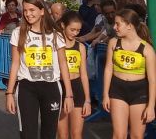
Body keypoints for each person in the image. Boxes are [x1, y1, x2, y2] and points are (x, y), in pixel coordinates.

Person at [5, 0, 74, 139]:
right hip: (26, 88)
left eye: (32, 10)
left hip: (51, 87)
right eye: (25, 10)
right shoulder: (18, 33)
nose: (28, 14)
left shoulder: (56, 35)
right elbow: (15, 63)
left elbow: (63, 65)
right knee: (27, 134)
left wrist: (69, 94)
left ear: (42, 11)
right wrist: (9, 93)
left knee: (49, 134)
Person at [102, 9, 156, 139]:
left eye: (118, 24)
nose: (114, 27)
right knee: (118, 135)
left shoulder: (147, 49)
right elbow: (108, 69)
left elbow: (153, 80)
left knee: (137, 136)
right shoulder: (113, 43)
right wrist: (105, 95)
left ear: (130, 26)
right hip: (117, 90)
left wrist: (151, 106)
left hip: (139, 92)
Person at [57, 12, 91, 139]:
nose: (75, 33)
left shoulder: (80, 46)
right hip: (60, 87)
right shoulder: (55, 45)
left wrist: (87, 100)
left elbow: (83, 74)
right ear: (62, 25)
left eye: (78, 30)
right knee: (63, 134)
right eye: (72, 30)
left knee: (77, 134)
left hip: (77, 87)